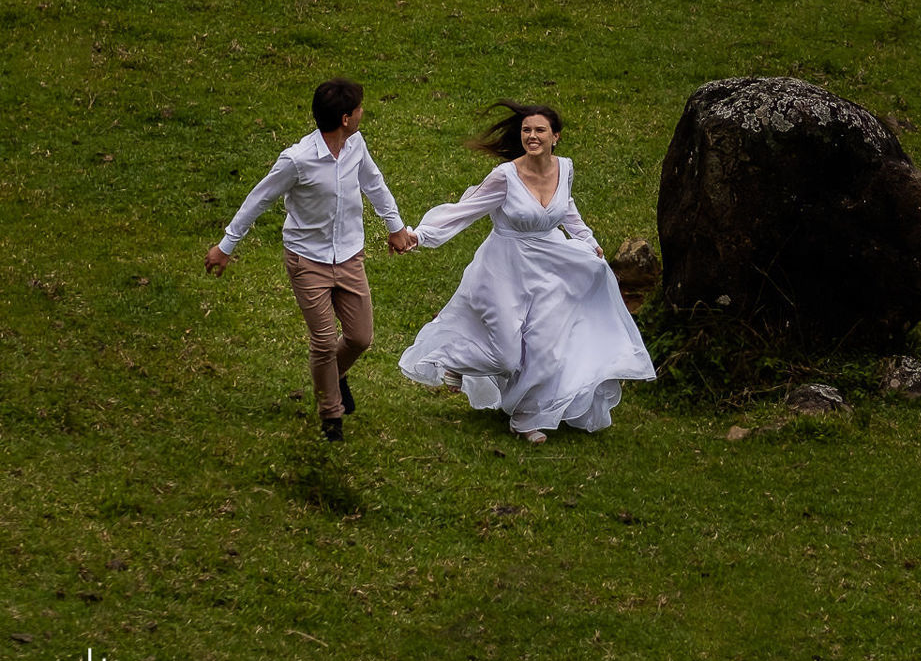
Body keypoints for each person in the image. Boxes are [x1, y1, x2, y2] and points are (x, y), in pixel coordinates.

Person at [397, 101, 655, 444]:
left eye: (539, 131)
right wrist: (420, 235)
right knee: (505, 357)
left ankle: (525, 418)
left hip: (552, 269)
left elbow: (568, 209)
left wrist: (588, 241)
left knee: (545, 349)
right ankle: (454, 359)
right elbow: (465, 211)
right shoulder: (505, 176)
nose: (531, 136)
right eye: (526, 131)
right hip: (503, 268)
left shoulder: (565, 168)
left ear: (555, 137)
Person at [206, 78, 417, 442]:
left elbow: (374, 184)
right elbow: (259, 199)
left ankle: (333, 375)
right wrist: (226, 245)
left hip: (350, 256)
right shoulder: (297, 160)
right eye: (360, 108)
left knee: (360, 337)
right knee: (322, 343)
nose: (364, 112)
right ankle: (331, 416)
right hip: (307, 261)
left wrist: (395, 227)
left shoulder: (356, 145)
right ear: (347, 117)